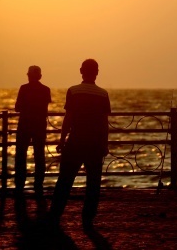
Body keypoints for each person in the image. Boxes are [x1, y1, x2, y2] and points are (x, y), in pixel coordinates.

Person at [48, 59, 111, 230]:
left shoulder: (73, 91)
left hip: (75, 142)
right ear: (97, 72)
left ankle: (55, 216)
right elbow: (104, 123)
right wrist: (105, 144)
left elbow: (68, 118)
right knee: (93, 183)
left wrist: (62, 140)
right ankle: (88, 219)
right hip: (95, 145)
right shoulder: (103, 94)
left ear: (81, 71)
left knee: (65, 181)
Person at [14, 65, 52, 198]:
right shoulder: (46, 90)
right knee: (39, 156)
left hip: (24, 125)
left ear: (28, 76)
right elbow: (45, 109)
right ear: (40, 76)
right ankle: (38, 185)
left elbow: (17, 107)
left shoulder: (23, 88)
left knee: (20, 155)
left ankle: (19, 185)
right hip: (39, 126)